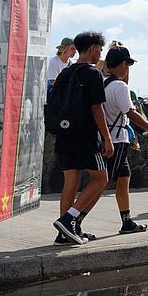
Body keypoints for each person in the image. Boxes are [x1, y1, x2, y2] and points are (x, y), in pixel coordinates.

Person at [51, 32, 114, 245]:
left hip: (64, 134)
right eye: (100, 49)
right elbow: (97, 109)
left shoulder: (66, 72)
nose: (100, 54)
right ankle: (69, 219)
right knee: (101, 179)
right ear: (93, 48)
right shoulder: (92, 74)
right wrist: (107, 138)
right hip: (85, 137)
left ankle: (65, 233)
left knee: (71, 181)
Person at [101, 47, 148, 234]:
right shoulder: (119, 86)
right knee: (102, 182)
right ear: (122, 65)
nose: (128, 69)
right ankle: (74, 217)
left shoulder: (103, 83)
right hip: (117, 140)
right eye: (127, 65)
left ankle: (127, 221)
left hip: (108, 137)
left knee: (123, 178)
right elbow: (131, 113)